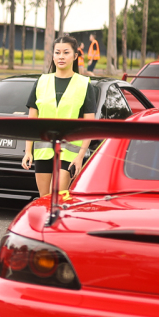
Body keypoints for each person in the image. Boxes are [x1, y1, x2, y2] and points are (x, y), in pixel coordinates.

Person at [22, 35, 98, 198]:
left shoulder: (84, 85)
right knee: (44, 198)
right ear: (53, 55)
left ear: (75, 56)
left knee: (57, 197)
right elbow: (32, 120)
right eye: (57, 53)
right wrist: (28, 151)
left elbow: (89, 125)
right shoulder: (41, 81)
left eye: (66, 52)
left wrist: (80, 156)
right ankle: (47, 224)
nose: (61, 56)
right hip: (43, 151)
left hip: (70, 152)